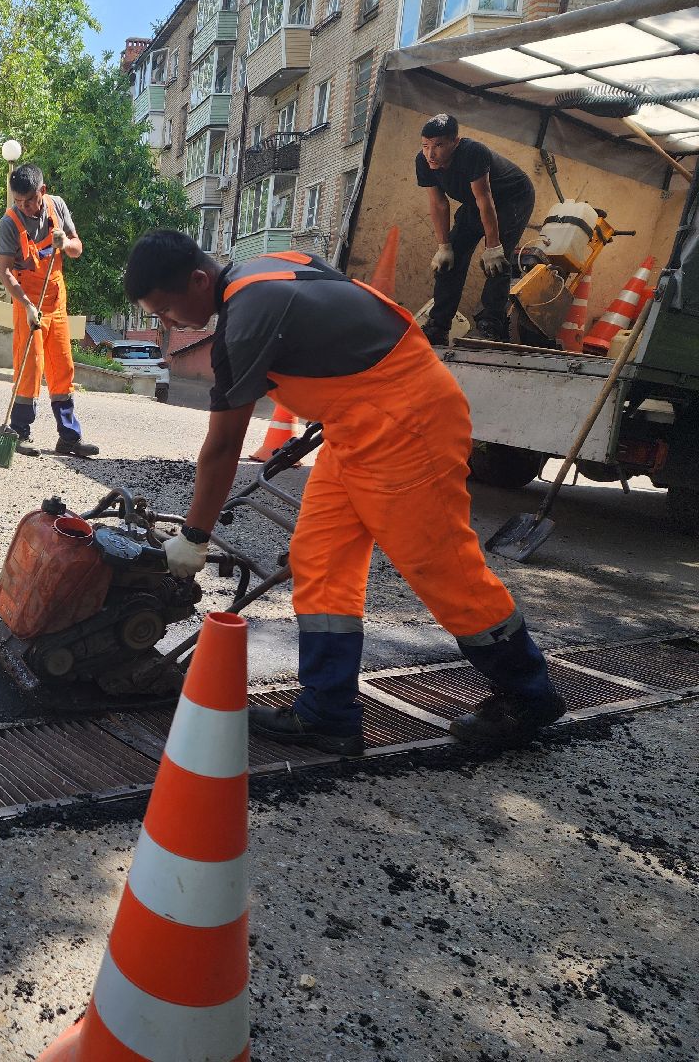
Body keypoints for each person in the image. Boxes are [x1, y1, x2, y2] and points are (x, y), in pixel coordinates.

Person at [123, 230, 565, 756]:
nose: (169, 324)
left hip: (408, 422)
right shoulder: (270, 264)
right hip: (354, 425)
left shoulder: (244, 321)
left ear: (198, 279)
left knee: (442, 568)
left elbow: (221, 449)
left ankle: (528, 695)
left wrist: (193, 538)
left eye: (168, 310)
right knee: (320, 561)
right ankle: (328, 712)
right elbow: (338, 333)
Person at [0, 164, 98, 457]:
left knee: (63, 367)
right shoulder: (9, 223)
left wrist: (65, 242)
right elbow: (5, 273)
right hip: (27, 300)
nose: (24, 206)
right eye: (18, 201)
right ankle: (20, 433)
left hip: (56, 299)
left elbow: (78, 248)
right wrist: (26, 305)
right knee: (31, 366)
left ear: (42, 191)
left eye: (29, 200)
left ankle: (69, 438)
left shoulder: (57, 207)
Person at [417, 113, 536, 346]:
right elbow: (439, 203)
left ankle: (491, 324)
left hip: (513, 197)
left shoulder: (473, 152)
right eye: (425, 146)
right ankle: (438, 326)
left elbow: (485, 198)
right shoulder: (424, 162)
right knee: (449, 260)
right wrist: (444, 246)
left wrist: (493, 246)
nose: (431, 154)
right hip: (477, 202)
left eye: (439, 145)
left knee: (496, 261)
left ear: (455, 142)